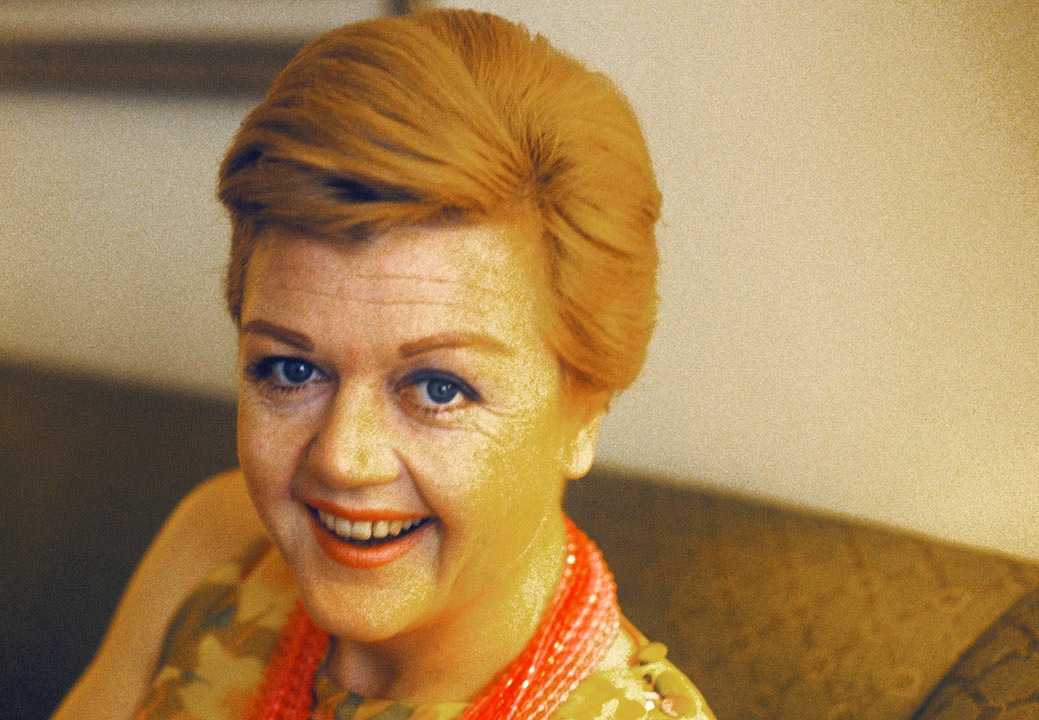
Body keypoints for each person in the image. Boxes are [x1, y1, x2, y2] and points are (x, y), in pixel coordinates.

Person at [54, 8, 714, 719]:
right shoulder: (220, 538)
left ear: (585, 408)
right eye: (291, 371)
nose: (343, 459)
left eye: (439, 387)